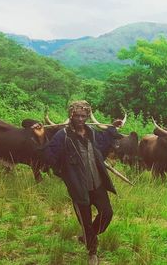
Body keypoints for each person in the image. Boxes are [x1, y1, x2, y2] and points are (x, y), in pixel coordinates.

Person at [45, 100, 123, 265]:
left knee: (107, 213)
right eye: (76, 115)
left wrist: (112, 127)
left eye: (83, 115)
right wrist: (64, 173)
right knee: (85, 220)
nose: (80, 119)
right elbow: (50, 155)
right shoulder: (63, 135)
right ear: (70, 115)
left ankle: (88, 235)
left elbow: (104, 142)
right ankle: (92, 252)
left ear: (87, 115)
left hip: (97, 183)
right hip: (78, 187)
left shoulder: (92, 133)